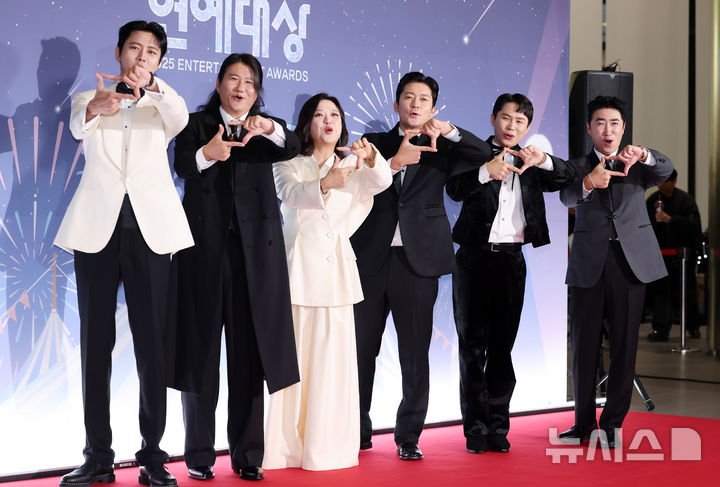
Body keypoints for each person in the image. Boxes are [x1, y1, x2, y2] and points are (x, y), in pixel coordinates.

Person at [54, 20, 193, 487]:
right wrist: (98, 104)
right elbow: (80, 125)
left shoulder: (163, 104)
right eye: (134, 48)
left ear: (159, 62)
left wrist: (151, 87)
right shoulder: (88, 98)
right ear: (118, 52)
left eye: (151, 52)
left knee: (153, 346)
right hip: (97, 231)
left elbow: (180, 117)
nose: (141, 57)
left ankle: (153, 456)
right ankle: (97, 457)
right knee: (96, 346)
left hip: (150, 234)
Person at [171, 53, 300, 482]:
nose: (240, 87)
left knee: (248, 356)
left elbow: (294, 146)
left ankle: (247, 456)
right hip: (204, 254)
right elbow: (182, 165)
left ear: (257, 91)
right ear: (219, 83)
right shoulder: (196, 124)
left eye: (249, 82)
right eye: (233, 78)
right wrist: (208, 153)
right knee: (200, 354)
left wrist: (269, 127)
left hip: (254, 257)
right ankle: (198, 455)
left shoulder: (266, 129)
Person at [350, 72, 491, 460]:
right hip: (370, 258)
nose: (415, 104)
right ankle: (356, 430)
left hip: (418, 262)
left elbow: (483, 154)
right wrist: (393, 163)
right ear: (396, 104)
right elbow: (357, 183)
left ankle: (408, 435)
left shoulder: (442, 146)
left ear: (433, 108)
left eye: (423, 99)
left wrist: (451, 132)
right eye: (408, 97)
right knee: (361, 351)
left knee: (415, 356)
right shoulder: (375, 143)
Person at [263, 93, 392, 471]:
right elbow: (290, 194)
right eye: (319, 115)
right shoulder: (289, 162)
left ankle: (328, 446)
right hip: (298, 272)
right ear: (307, 123)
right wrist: (325, 182)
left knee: (332, 364)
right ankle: (286, 448)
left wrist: (371, 157)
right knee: (294, 363)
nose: (328, 121)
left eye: (334, 114)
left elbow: (382, 182)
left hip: (336, 274)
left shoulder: (352, 164)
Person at [445, 93, 574, 454]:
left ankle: (498, 425)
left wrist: (542, 159)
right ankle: (475, 428)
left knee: (503, 348)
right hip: (473, 259)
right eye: (505, 118)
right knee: (472, 348)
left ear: (527, 127)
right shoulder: (473, 153)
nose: (511, 126)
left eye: (519, 121)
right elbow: (453, 189)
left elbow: (567, 176)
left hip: (511, 262)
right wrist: (486, 171)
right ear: (493, 119)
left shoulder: (531, 162)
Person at [558, 96, 673, 448]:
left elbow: (665, 169)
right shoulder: (577, 166)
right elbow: (566, 198)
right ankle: (582, 424)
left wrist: (645, 153)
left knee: (624, 345)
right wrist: (589, 182)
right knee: (583, 345)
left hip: (630, 263)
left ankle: (611, 425)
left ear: (623, 129)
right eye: (600, 123)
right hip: (589, 262)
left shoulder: (637, 164)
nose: (607, 131)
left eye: (614, 124)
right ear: (589, 128)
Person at [646, 170, 702, 341]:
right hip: (660, 255)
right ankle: (661, 329)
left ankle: (693, 327)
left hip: (682, 256)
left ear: (674, 181)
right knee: (661, 292)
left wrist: (671, 219)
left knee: (687, 292)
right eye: (660, 182)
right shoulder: (653, 200)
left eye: (666, 182)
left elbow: (694, 224)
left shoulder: (685, 200)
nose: (662, 186)